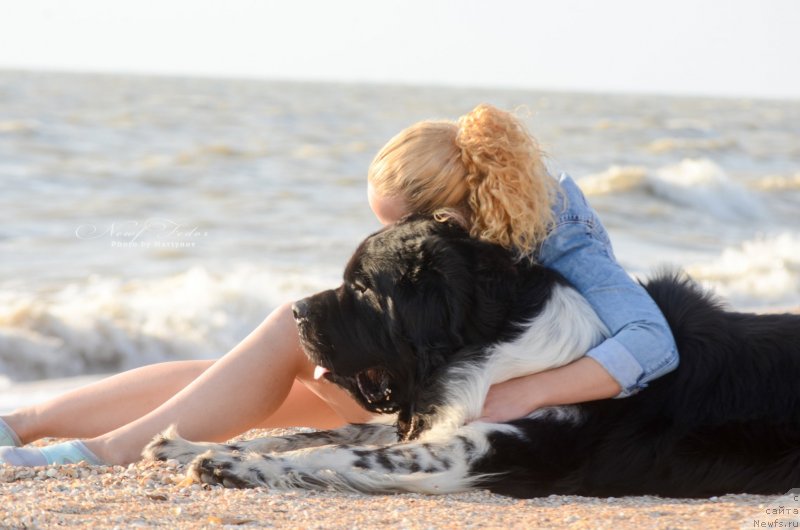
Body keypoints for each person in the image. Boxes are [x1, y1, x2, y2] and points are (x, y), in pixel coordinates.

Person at [0, 104, 678, 467]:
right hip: (441, 383)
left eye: (398, 229)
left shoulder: (559, 230)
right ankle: (23, 424)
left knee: (283, 335)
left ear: (448, 213)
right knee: (250, 373)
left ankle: (103, 452)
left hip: (498, 408)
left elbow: (653, 341)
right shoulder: (473, 222)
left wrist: (525, 394)